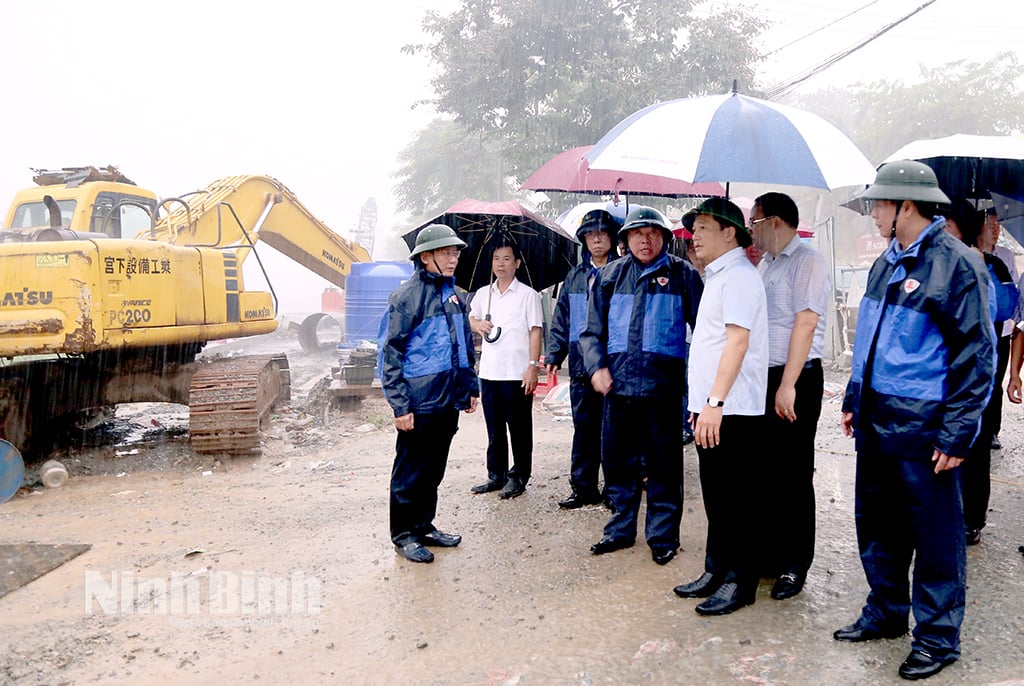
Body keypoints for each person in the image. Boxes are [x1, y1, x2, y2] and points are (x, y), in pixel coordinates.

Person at [835, 161, 995, 681]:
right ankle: (885, 613)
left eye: (878, 204)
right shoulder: (887, 263)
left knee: (935, 538)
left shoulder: (958, 264)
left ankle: (937, 638)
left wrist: (957, 432)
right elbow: (872, 339)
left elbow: (976, 356)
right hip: (878, 424)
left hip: (925, 430)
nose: (872, 212)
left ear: (905, 205)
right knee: (877, 526)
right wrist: (855, 397)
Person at [580, 206, 703, 565]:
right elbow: (591, 332)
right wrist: (596, 368)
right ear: (626, 240)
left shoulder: (683, 275)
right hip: (617, 390)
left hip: (662, 392)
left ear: (664, 238)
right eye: (637, 234)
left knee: (665, 467)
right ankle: (619, 529)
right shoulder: (609, 277)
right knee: (618, 464)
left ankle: (663, 537)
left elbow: (707, 328)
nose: (645, 240)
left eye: (653, 233)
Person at [671, 197, 767, 616]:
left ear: (731, 233)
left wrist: (714, 402)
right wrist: (701, 404)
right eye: (694, 229)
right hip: (711, 407)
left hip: (733, 410)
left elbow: (738, 341)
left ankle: (740, 581)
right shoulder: (717, 276)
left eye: (704, 228)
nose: (695, 237)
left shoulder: (741, 278)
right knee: (717, 496)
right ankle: (717, 568)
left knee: (738, 497)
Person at [379, 224, 479, 564]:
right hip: (418, 403)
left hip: (447, 400)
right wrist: (400, 405)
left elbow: (465, 346)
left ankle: (423, 526)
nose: (454, 258)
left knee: (434, 468)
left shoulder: (455, 297)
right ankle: (404, 535)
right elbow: (390, 355)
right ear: (426, 257)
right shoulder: (405, 299)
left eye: (455, 252)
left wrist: (470, 387)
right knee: (410, 471)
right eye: (447, 252)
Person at [748, 192, 830, 601]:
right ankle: (768, 554)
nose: (750, 229)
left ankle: (794, 564)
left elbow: (806, 322)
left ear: (775, 221)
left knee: (794, 472)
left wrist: (788, 384)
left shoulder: (807, 261)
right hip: (765, 376)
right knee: (766, 469)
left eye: (754, 221)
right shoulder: (765, 263)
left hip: (795, 378)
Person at [947, 200, 1016, 546]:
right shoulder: (943, 265)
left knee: (973, 447)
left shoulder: (987, 266)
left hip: (976, 369)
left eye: (946, 227)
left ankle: (972, 517)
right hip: (947, 372)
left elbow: (1002, 317)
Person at [546, 209, 620, 509]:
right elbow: (561, 318)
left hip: (613, 364)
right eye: (591, 234)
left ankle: (616, 491)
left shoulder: (623, 271)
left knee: (614, 431)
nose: (597, 239)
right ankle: (583, 487)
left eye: (602, 233)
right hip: (579, 365)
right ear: (584, 240)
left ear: (612, 237)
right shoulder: (574, 277)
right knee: (584, 429)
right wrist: (554, 352)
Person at [468, 239, 543, 500]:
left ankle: (519, 476)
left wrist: (532, 367)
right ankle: (495, 475)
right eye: (497, 258)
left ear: (517, 263)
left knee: (520, 429)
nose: (501, 263)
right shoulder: (483, 294)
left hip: (517, 373)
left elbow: (535, 332)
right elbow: (471, 317)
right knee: (494, 428)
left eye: (507, 258)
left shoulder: (528, 296)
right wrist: (478, 325)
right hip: (489, 372)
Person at [982, 208, 1019, 450]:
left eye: (998, 225)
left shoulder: (1006, 256)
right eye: (990, 225)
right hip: (980, 331)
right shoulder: (969, 254)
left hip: (1002, 331)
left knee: (996, 380)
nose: (995, 230)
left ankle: (992, 431)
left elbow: (1013, 292)